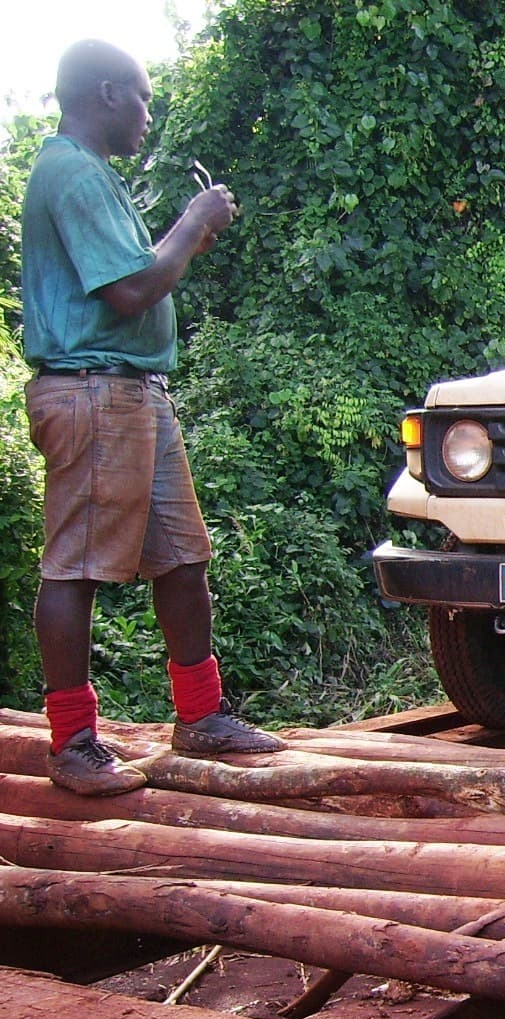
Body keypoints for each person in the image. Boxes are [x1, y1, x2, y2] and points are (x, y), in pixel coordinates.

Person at [21, 39, 284, 796]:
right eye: (140, 98)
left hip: (134, 393)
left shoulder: (92, 176)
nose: (147, 114)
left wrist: (186, 232)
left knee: (182, 556)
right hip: (94, 392)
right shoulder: (70, 170)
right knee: (75, 567)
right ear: (104, 94)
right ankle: (71, 743)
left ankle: (200, 716)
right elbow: (132, 291)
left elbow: (135, 277)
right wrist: (195, 221)